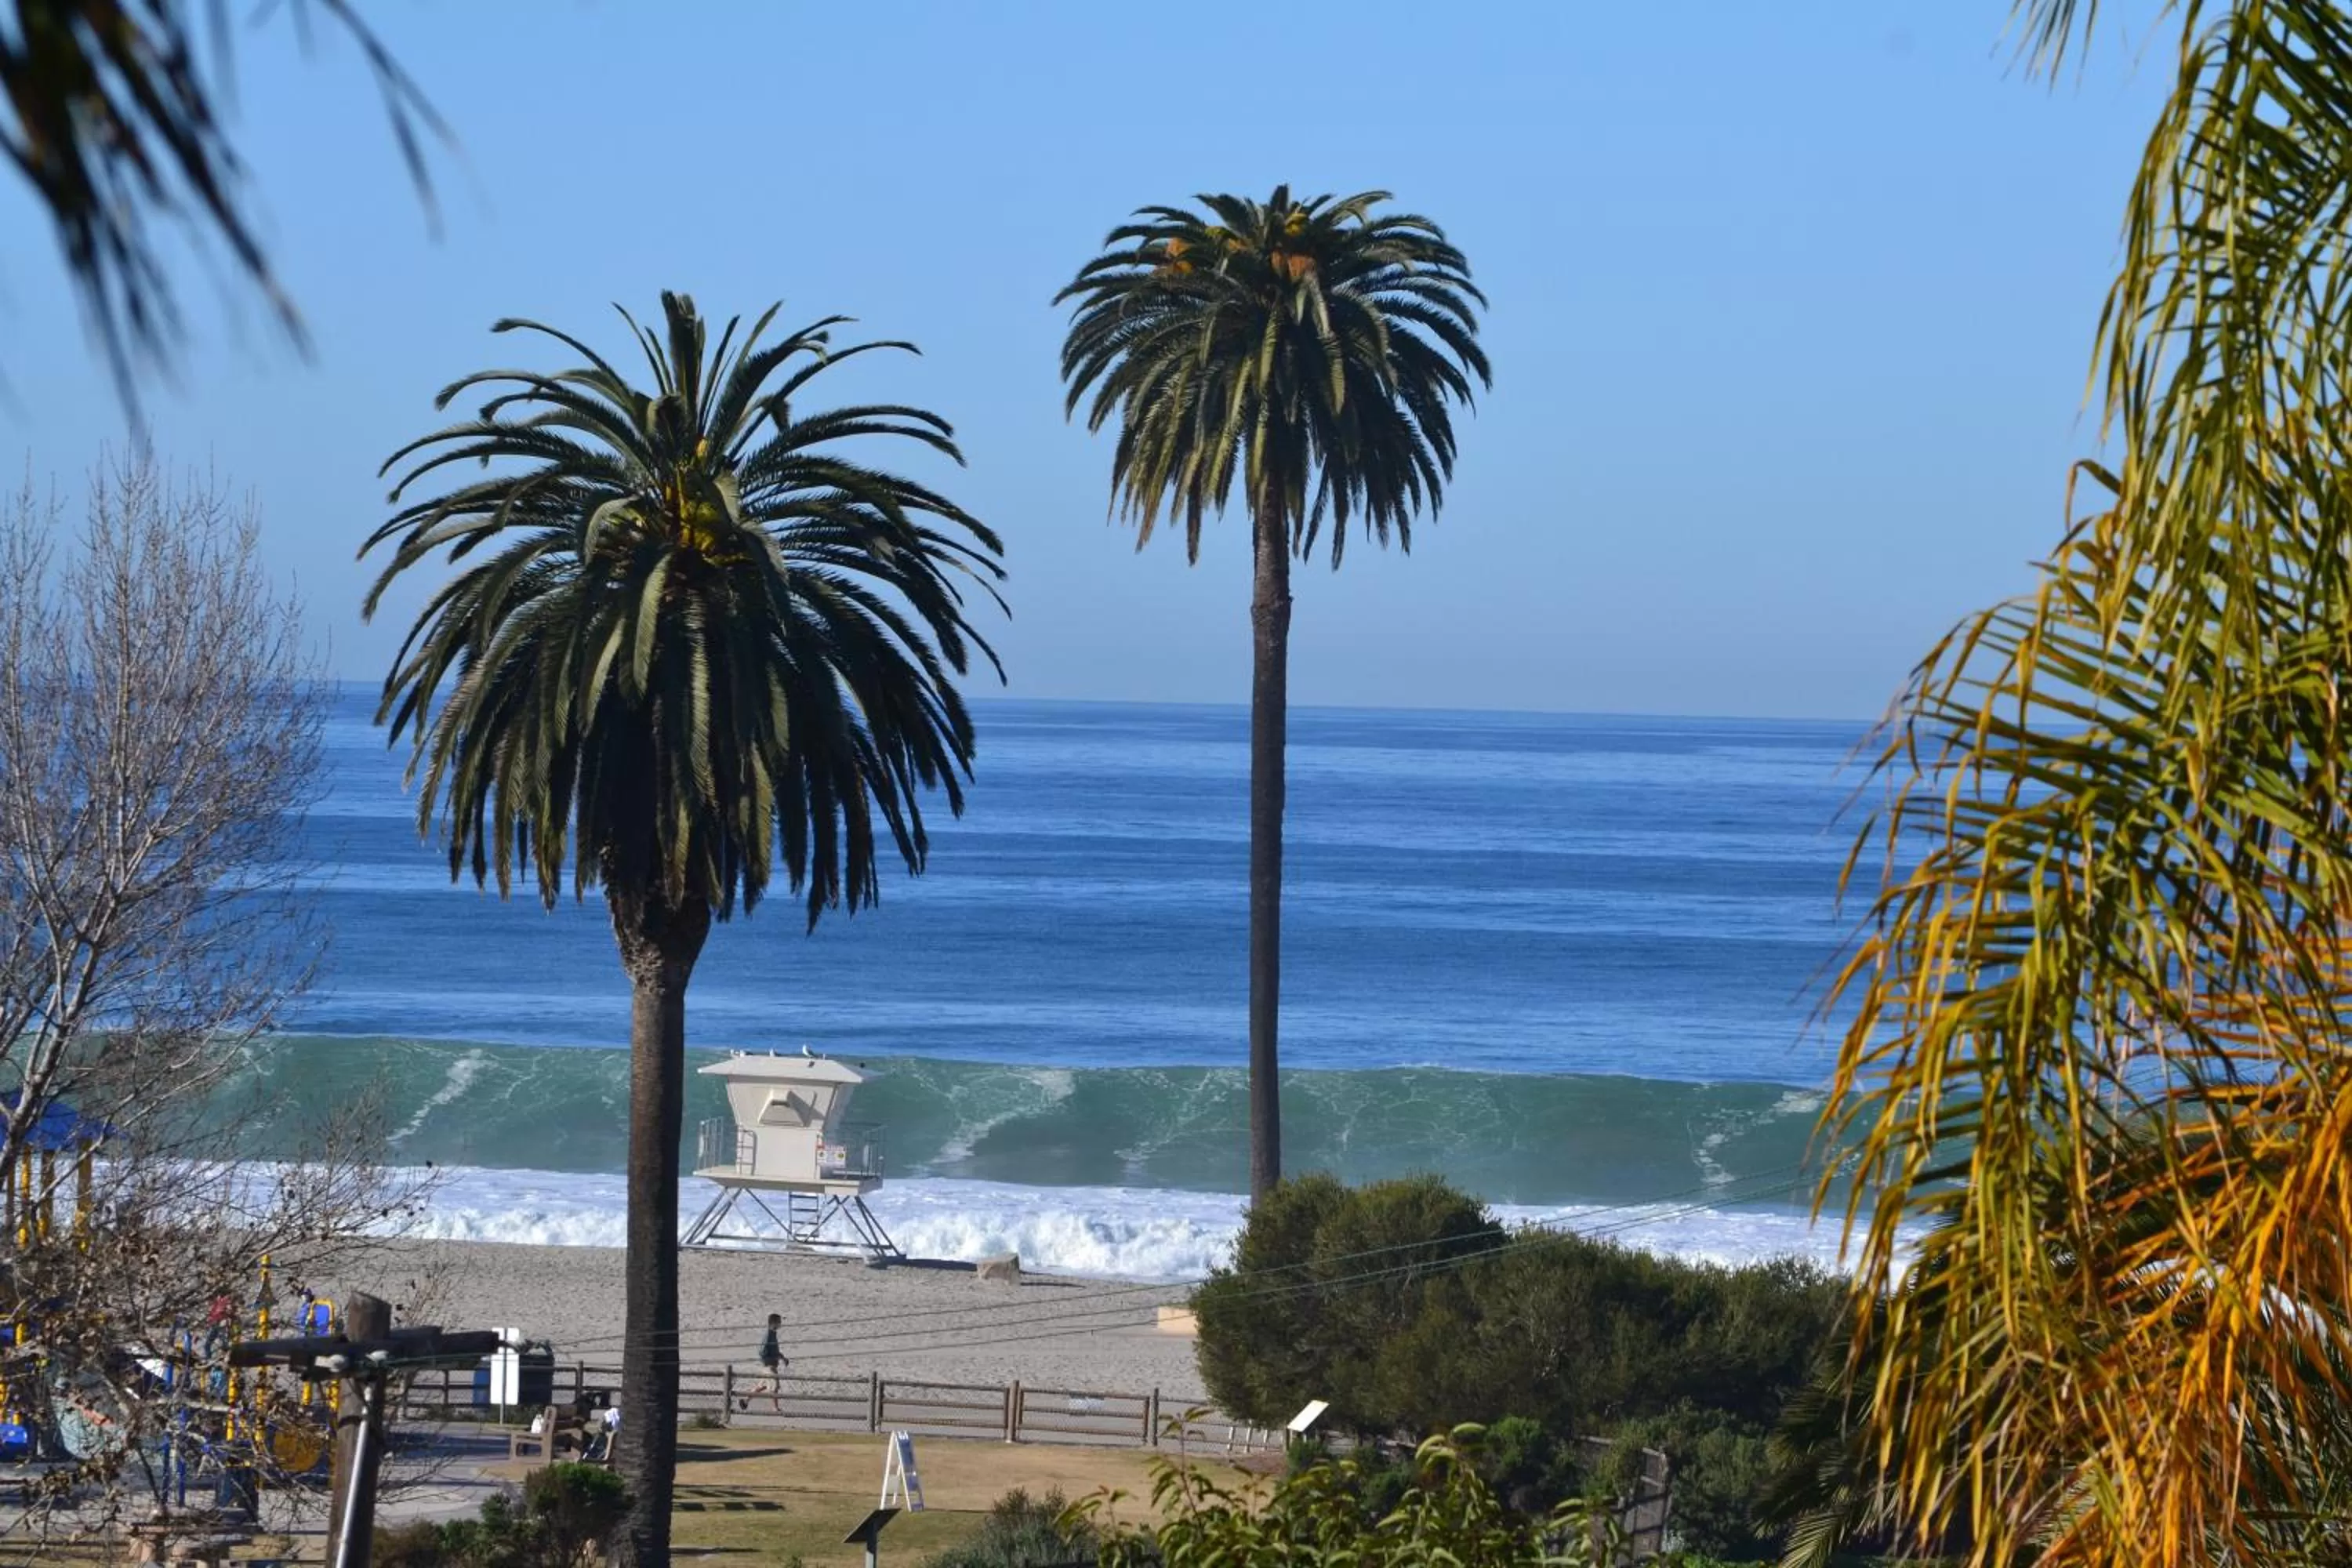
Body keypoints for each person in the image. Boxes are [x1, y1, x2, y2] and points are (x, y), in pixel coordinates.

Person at [740, 1313, 786, 1414]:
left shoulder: (773, 1334)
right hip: (769, 1366)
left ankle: (746, 1401)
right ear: (774, 1323)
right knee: (774, 1385)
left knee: (762, 1386)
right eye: (779, 1322)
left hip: (771, 1365)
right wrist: (769, 1360)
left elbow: (774, 1350)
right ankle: (775, 1408)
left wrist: (782, 1357)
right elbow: (762, 1352)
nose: (780, 1324)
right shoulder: (768, 1334)